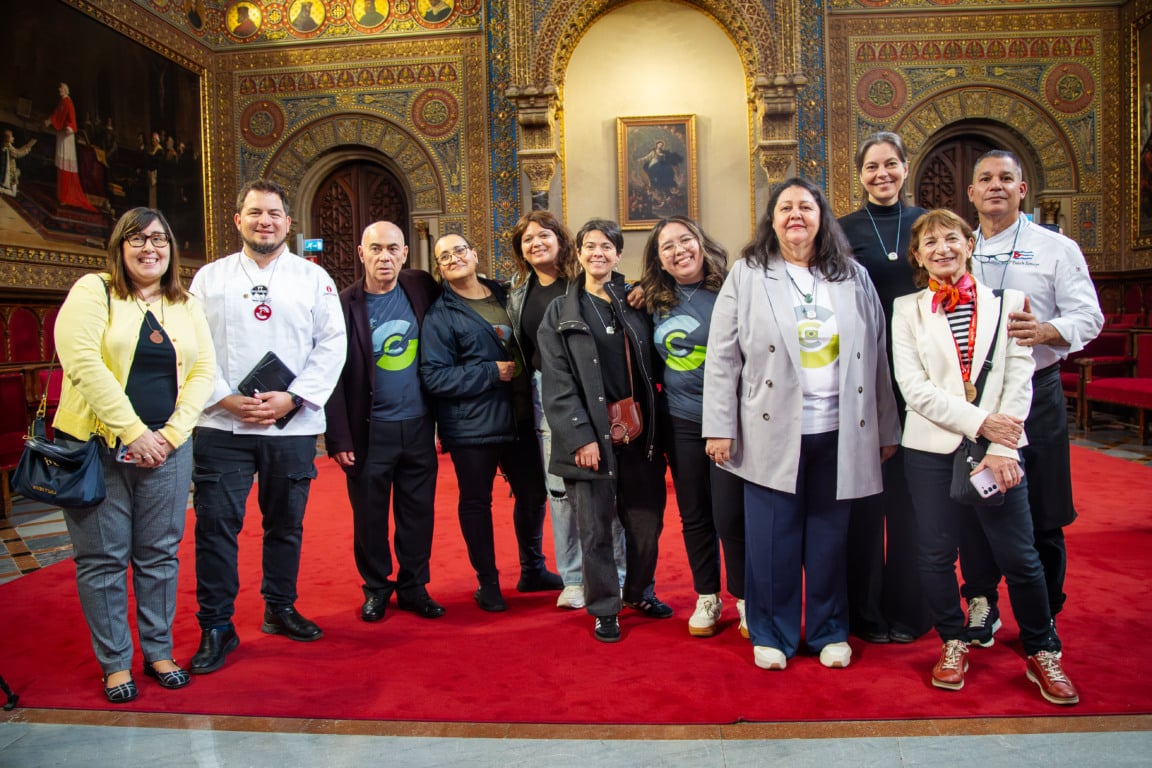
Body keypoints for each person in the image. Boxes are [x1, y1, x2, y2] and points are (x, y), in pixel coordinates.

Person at [702, 178, 901, 671]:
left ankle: (831, 630)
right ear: (771, 219)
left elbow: (876, 356)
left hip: (840, 429)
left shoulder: (851, 275)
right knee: (772, 541)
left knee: (831, 541)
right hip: (770, 429)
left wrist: (884, 428)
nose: (796, 215)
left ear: (821, 216)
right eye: (785, 207)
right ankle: (773, 632)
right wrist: (719, 426)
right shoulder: (748, 274)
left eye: (806, 206)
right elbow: (722, 358)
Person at [892, 208, 1079, 705]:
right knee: (934, 553)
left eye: (951, 239)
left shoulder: (1010, 301)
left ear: (969, 244)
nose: (941, 249)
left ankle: (1043, 649)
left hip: (998, 450)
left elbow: (1020, 380)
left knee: (1019, 555)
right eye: (929, 243)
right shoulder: (906, 309)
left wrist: (1000, 444)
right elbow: (914, 390)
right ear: (917, 255)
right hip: (930, 449)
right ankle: (953, 641)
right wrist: (979, 422)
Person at [54, 207, 215, 702]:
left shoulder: (184, 302)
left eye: (160, 240)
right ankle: (115, 663)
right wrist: (131, 431)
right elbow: (81, 361)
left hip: (168, 449)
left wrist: (170, 434)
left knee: (159, 554)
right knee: (102, 559)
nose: (150, 249)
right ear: (119, 247)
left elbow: (204, 369)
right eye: (138, 239)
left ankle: (159, 650)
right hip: (95, 447)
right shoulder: (93, 290)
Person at [188, 179, 346, 674]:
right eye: (255, 212)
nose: (265, 221)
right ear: (238, 220)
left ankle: (279, 607)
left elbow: (332, 344)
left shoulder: (314, 279)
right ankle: (216, 625)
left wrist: (293, 397)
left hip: (291, 425)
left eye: (274, 213)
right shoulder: (207, 279)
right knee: (216, 527)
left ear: (288, 223)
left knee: (285, 524)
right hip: (220, 425)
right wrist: (225, 398)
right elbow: (190, 346)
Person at [959, 150, 1104, 646]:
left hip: (1035, 396)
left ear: (1023, 190)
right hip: (974, 401)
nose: (995, 186)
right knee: (974, 502)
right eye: (985, 179)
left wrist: (1046, 330)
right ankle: (981, 603)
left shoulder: (1055, 248)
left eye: (1006, 178)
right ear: (972, 194)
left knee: (1042, 509)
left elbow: (1089, 317)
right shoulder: (959, 249)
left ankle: (1046, 610)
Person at [538, 218, 671, 643]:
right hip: (591, 440)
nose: (598, 253)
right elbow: (556, 384)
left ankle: (639, 592)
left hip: (639, 436)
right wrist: (581, 437)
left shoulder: (635, 301)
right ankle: (604, 607)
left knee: (647, 524)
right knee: (594, 528)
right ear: (577, 253)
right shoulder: (560, 311)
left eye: (606, 247)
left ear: (618, 254)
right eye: (589, 246)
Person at [419, 233, 562, 612]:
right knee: (477, 503)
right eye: (444, 256)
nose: (453, 258)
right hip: (472, 426)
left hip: (520, 417)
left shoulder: (505, 293)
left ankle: (533, 569)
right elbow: (433, 376)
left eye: (459, 250)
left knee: (534, 494)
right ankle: (488, 583)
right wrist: (488, 372)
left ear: (475, 253)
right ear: (439, 268)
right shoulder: (441, 315)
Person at [325, 221, 446, 622]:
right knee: (370, 518)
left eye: (393, 249)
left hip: (417, 427)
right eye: (375, 249)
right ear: (361, 254)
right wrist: (338, 436)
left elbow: (468, 292)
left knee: (417, 514)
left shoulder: (420, 287)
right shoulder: (343, 304)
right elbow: (332, 375)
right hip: (367, 431)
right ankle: (376, 588)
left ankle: (414, 587)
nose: (384, 257)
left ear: (406, 253)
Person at [506, 211, 627, 611]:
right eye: (527, 239)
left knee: (605, 488)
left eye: (544, 235)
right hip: (548, 393)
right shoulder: (517, 292)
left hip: (595, 390)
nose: (536, 243)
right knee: (560, 491)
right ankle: (573, 577)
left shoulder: (585, 284)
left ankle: (616, 574)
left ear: (562, 241)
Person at [837, 131, 930, 645]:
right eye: (872, 167)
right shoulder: (845, 230)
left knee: (913, 504)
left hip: (923, 381)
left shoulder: (928, 225)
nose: (882, 174)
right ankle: (866, 613)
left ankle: (912, 611)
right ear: (861, 173)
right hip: (866, 379)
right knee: (866, 504)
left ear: (905, 166)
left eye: (891, 165)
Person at [638, 215, 746, 638]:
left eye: (686, 240)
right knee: (694, 513)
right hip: (679, 420)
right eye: (668, 247)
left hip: (728, 420)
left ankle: (744, 597)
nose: (679, 250)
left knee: (730, 514)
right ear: (660, 260)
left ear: (701, 243)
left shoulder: (731, 290)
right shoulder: (652, 301)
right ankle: (707, 595)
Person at [44, 82, 97, 212]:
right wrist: (49, 121)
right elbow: (57, 114)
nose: (59, 89)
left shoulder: (68, 102)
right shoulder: (62, 102)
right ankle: (61, 195)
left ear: (66, 90)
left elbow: (72, 121)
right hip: (62, 134)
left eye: (61, 88)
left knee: (66, 166)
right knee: (61, 165)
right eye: (59, 88)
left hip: (67, 136)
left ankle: (66, 196)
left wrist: (68, 127)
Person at [0, 130, 36, 197]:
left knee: (15, 180)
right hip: (10, 172)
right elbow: (18, 154)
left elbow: (17, 151)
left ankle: (8, 190)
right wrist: (27, 148)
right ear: (7, 139)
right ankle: (2, 189)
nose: (13, 138)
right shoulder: (8, 148)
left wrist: (27, 146)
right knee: (13, 193)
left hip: (11, 170)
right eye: (12, 137)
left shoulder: (7, 146)